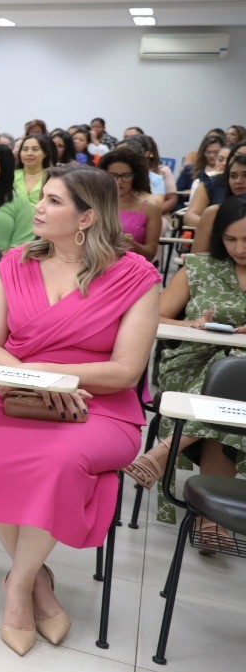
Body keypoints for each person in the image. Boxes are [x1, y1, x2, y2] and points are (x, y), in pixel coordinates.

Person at [0, 165, 159, 655]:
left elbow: (126, 371)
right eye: (41, 198)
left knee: (57, 462)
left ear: (88, 216)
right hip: (17, 397)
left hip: (101, 410)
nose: (39, 209)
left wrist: (54, 372)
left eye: (52, 201)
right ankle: (39, 586)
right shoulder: (15, 263)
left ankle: (19, 586)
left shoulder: (136, 276)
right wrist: (37, 379)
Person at [121, 192, 246, 547]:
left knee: (234, 382)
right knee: (227, 381)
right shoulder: (200, 266)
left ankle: (162, 452)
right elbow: (153, 316)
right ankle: (213, 519)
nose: (239, 248)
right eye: (231, 238)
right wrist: (192, 323)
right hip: (191, 363)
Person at [99, 148, 161, 261]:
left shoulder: (150, 208)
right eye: (113, 175)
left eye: (126, 175)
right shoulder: (94, 204)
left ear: (135, 177)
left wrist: (132, 244)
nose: (120, 181)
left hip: (131, 270)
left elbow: (151, 254)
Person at [188, 143, 246, 254]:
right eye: (233, 176)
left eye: (245, 175)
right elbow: (197, 261)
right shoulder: (213, 213)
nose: (238, 181)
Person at [184, 137, 233, 227]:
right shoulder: (206, 182)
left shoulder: (238, 183)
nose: (224, 164)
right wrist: (216, 229)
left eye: (229, 160)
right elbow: (190, 216)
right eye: (220, 159)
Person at [128, 133, 179, 216]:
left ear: (148, 153)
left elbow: (171, 199)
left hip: (155, 213)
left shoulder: (162, 171)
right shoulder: (126, 171)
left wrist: (153, 214)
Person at [176, 130, 224, 197]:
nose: (211, 155)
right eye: (208, 152)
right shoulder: (190, 169)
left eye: (216, 152)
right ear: (203, 153)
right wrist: (189, 192)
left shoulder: (224, 173)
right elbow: (177, 192)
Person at [14, 133, 55, 207]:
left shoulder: (52, 177)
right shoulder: (11, 176)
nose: (29, 153)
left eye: (35, 149)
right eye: (25, 149)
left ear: (45, 153)